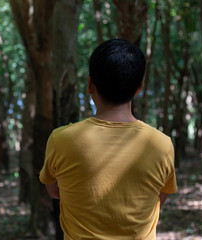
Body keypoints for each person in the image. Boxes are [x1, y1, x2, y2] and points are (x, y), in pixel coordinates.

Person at [39, 39, 177, 240]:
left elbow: (54, 191)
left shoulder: (61, 140)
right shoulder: (161, 144)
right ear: (139, 87)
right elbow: (157, 198)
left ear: (90, 85)